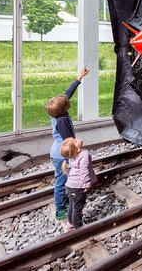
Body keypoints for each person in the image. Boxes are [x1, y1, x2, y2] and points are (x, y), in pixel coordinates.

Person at [46, 66, 90, 220]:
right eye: (66, 102)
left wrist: (79, 78)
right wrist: (78, 149)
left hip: (57, 150)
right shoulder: (63, 121)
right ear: (63, 108)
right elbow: (69, 142)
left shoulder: (56, 112)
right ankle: (60, 210)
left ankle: (64, 201)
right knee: (62, 181)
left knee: (62, 178)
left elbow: (67, 93)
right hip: (63, 154)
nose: (68, 101)